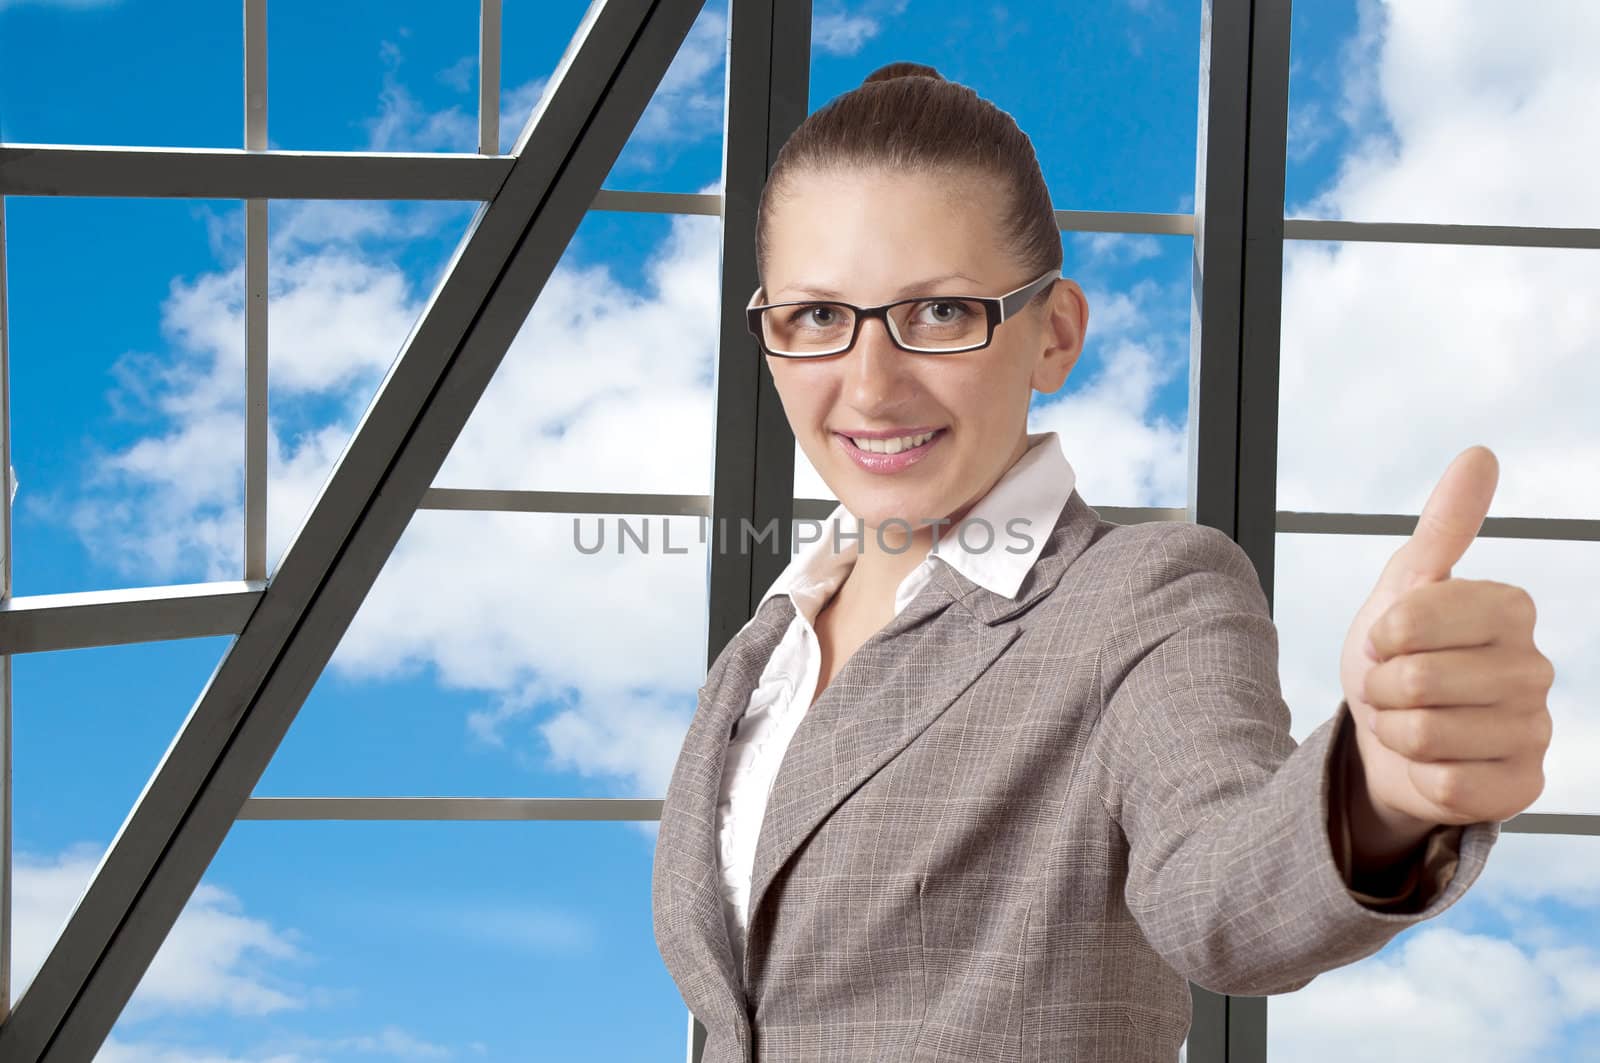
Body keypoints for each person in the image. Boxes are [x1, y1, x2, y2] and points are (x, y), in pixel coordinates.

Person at [652, 61, 1549, 1063]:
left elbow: (1218, 894)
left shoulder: (1143, 594)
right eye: (818, 316)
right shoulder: (758, 658)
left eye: (940, 312)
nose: (870, 385)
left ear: (1054, 335)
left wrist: (1379, 795)